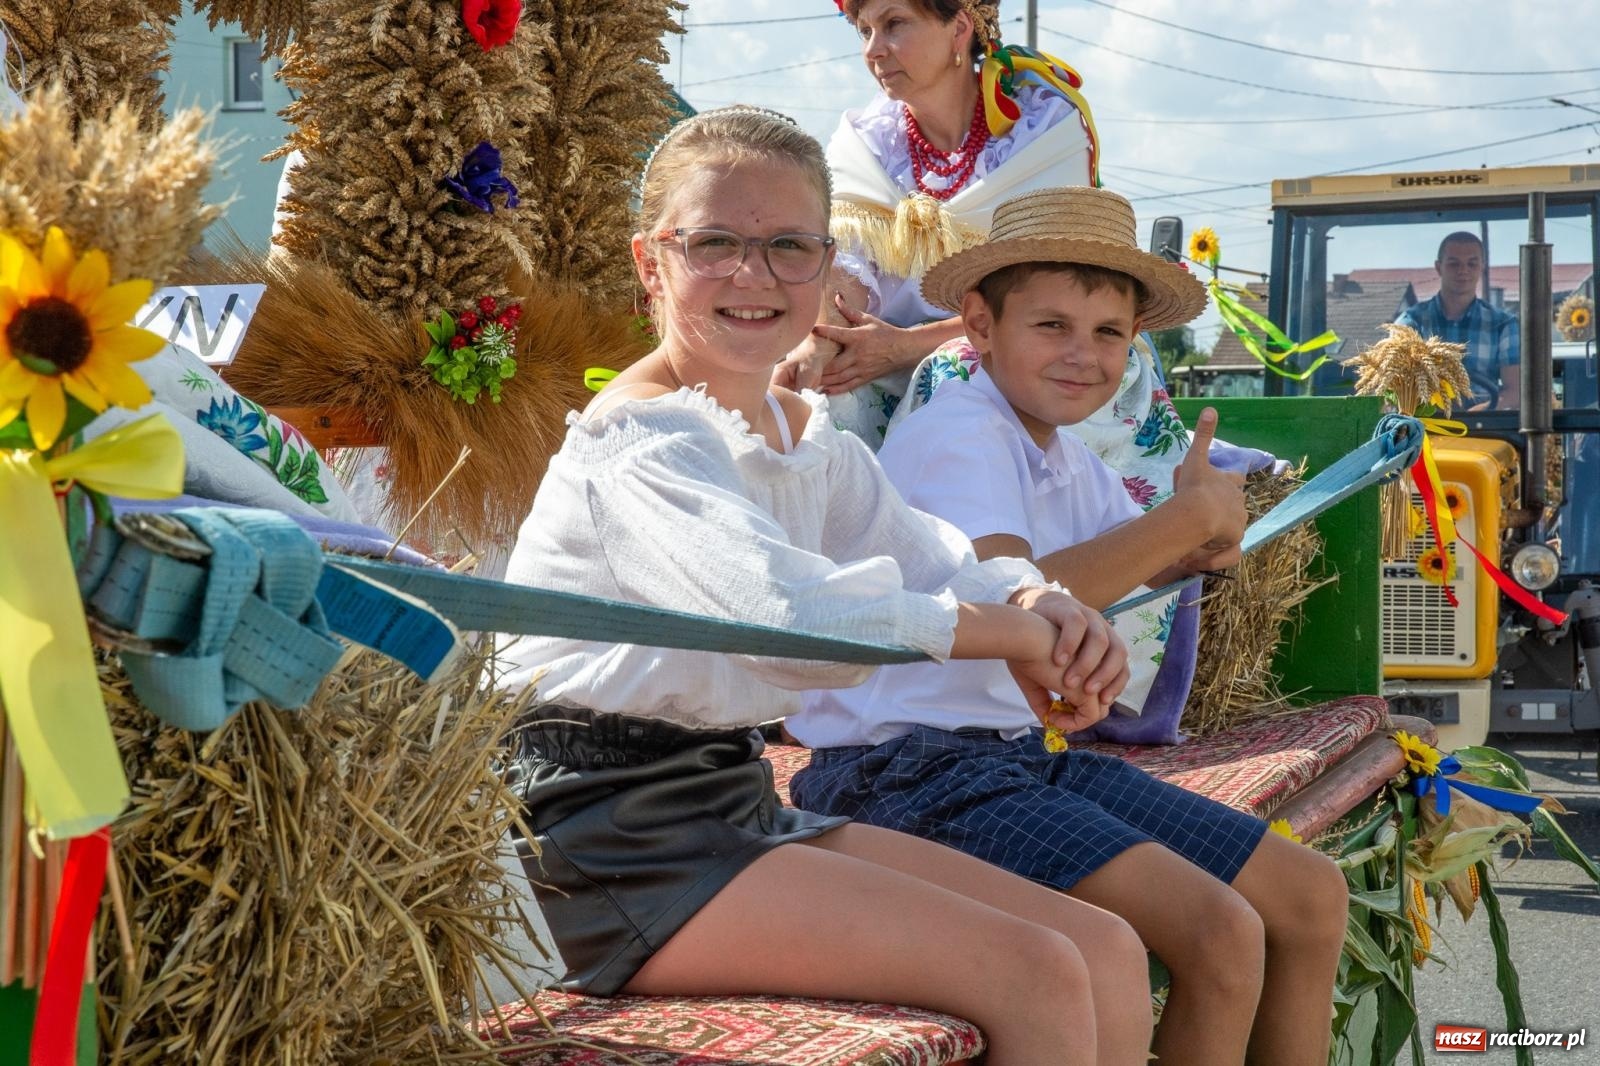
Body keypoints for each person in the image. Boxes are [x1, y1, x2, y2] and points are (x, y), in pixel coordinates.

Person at [496, 107, 1157, 1066]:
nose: (753, 275)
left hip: (726, 796)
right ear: (651, 262)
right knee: (1037, 969)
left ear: (825, 265)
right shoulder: (639, 443)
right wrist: (1015, 638)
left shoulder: (801, 434)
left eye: (789, 246)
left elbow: (932, 554)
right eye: (714, 243)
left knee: (1103, 947)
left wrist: (1034, 602)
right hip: (602, 833)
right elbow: (783, 620)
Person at [788, 187, 1351, 1066]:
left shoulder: (1064, 455)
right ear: (980, 325)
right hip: (902, 773)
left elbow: (1114, 569)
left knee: (1309, 895)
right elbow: (1021, 599)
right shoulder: (958, 433)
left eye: (1108, 333)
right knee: (1219, 932)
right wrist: (1185, 520)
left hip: (1011, 757)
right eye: (1052, 325)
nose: (1083, 355)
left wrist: (1197, 546)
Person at [774, 0, 1101, 445]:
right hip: (880, 353)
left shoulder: (1042, 130)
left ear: (959, 28)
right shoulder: (866, 141)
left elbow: (1059, 299)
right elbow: (844, 269)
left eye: (894, 24)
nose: (873, 49)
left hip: (1026, 355)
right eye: (865, 31)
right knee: (819, 390)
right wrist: (822, 342)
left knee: (956, 378)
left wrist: (907, 347)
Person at [1395, 231, 1520, 409]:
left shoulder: (1503, 325)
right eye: (1454, 264)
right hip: (1426, 422)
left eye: (1472, 264)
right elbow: (1397, 386)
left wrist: (1479, 414)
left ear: (1482, 267)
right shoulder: (1411, 323)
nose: (1463, 270)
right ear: (1438, 267)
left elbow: (1515, 391)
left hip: (1486, 424)